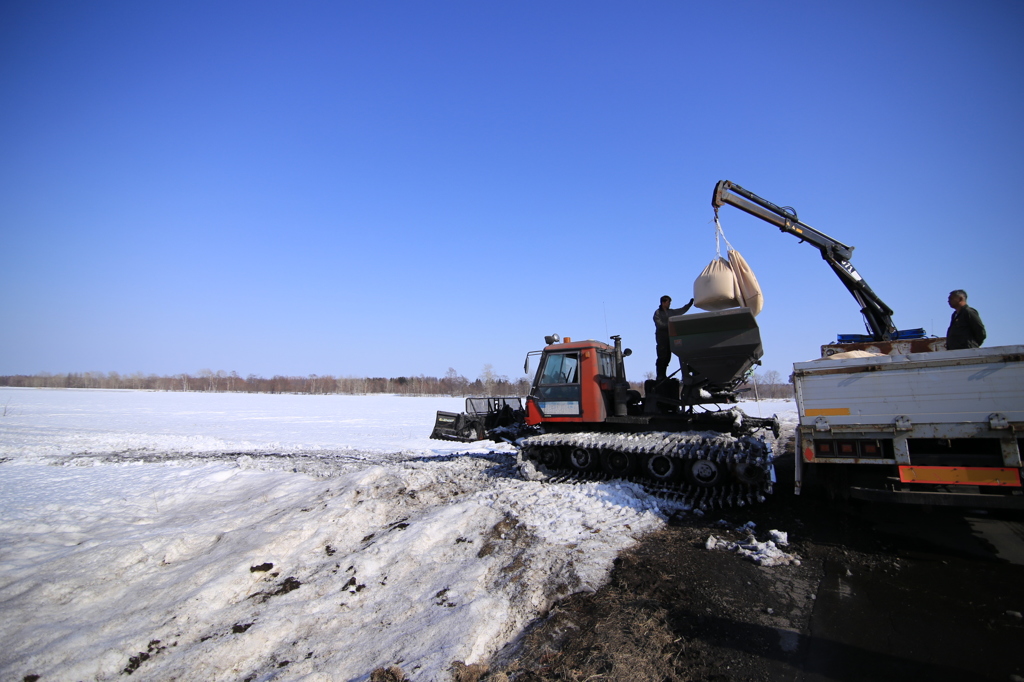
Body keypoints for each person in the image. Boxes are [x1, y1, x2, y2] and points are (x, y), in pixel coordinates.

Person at [654, 295, 694, 380]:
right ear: (663, 302)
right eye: (668, 302)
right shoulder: (657, 313)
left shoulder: (671, 312)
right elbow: (659, 325)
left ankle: (663, 375)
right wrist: (670, 325)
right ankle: (660, 375)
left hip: (670, 338)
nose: (670, 304)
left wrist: (689, 304)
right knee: (662, 357)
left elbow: (681, 311)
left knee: (668, 357)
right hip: (662, 339)